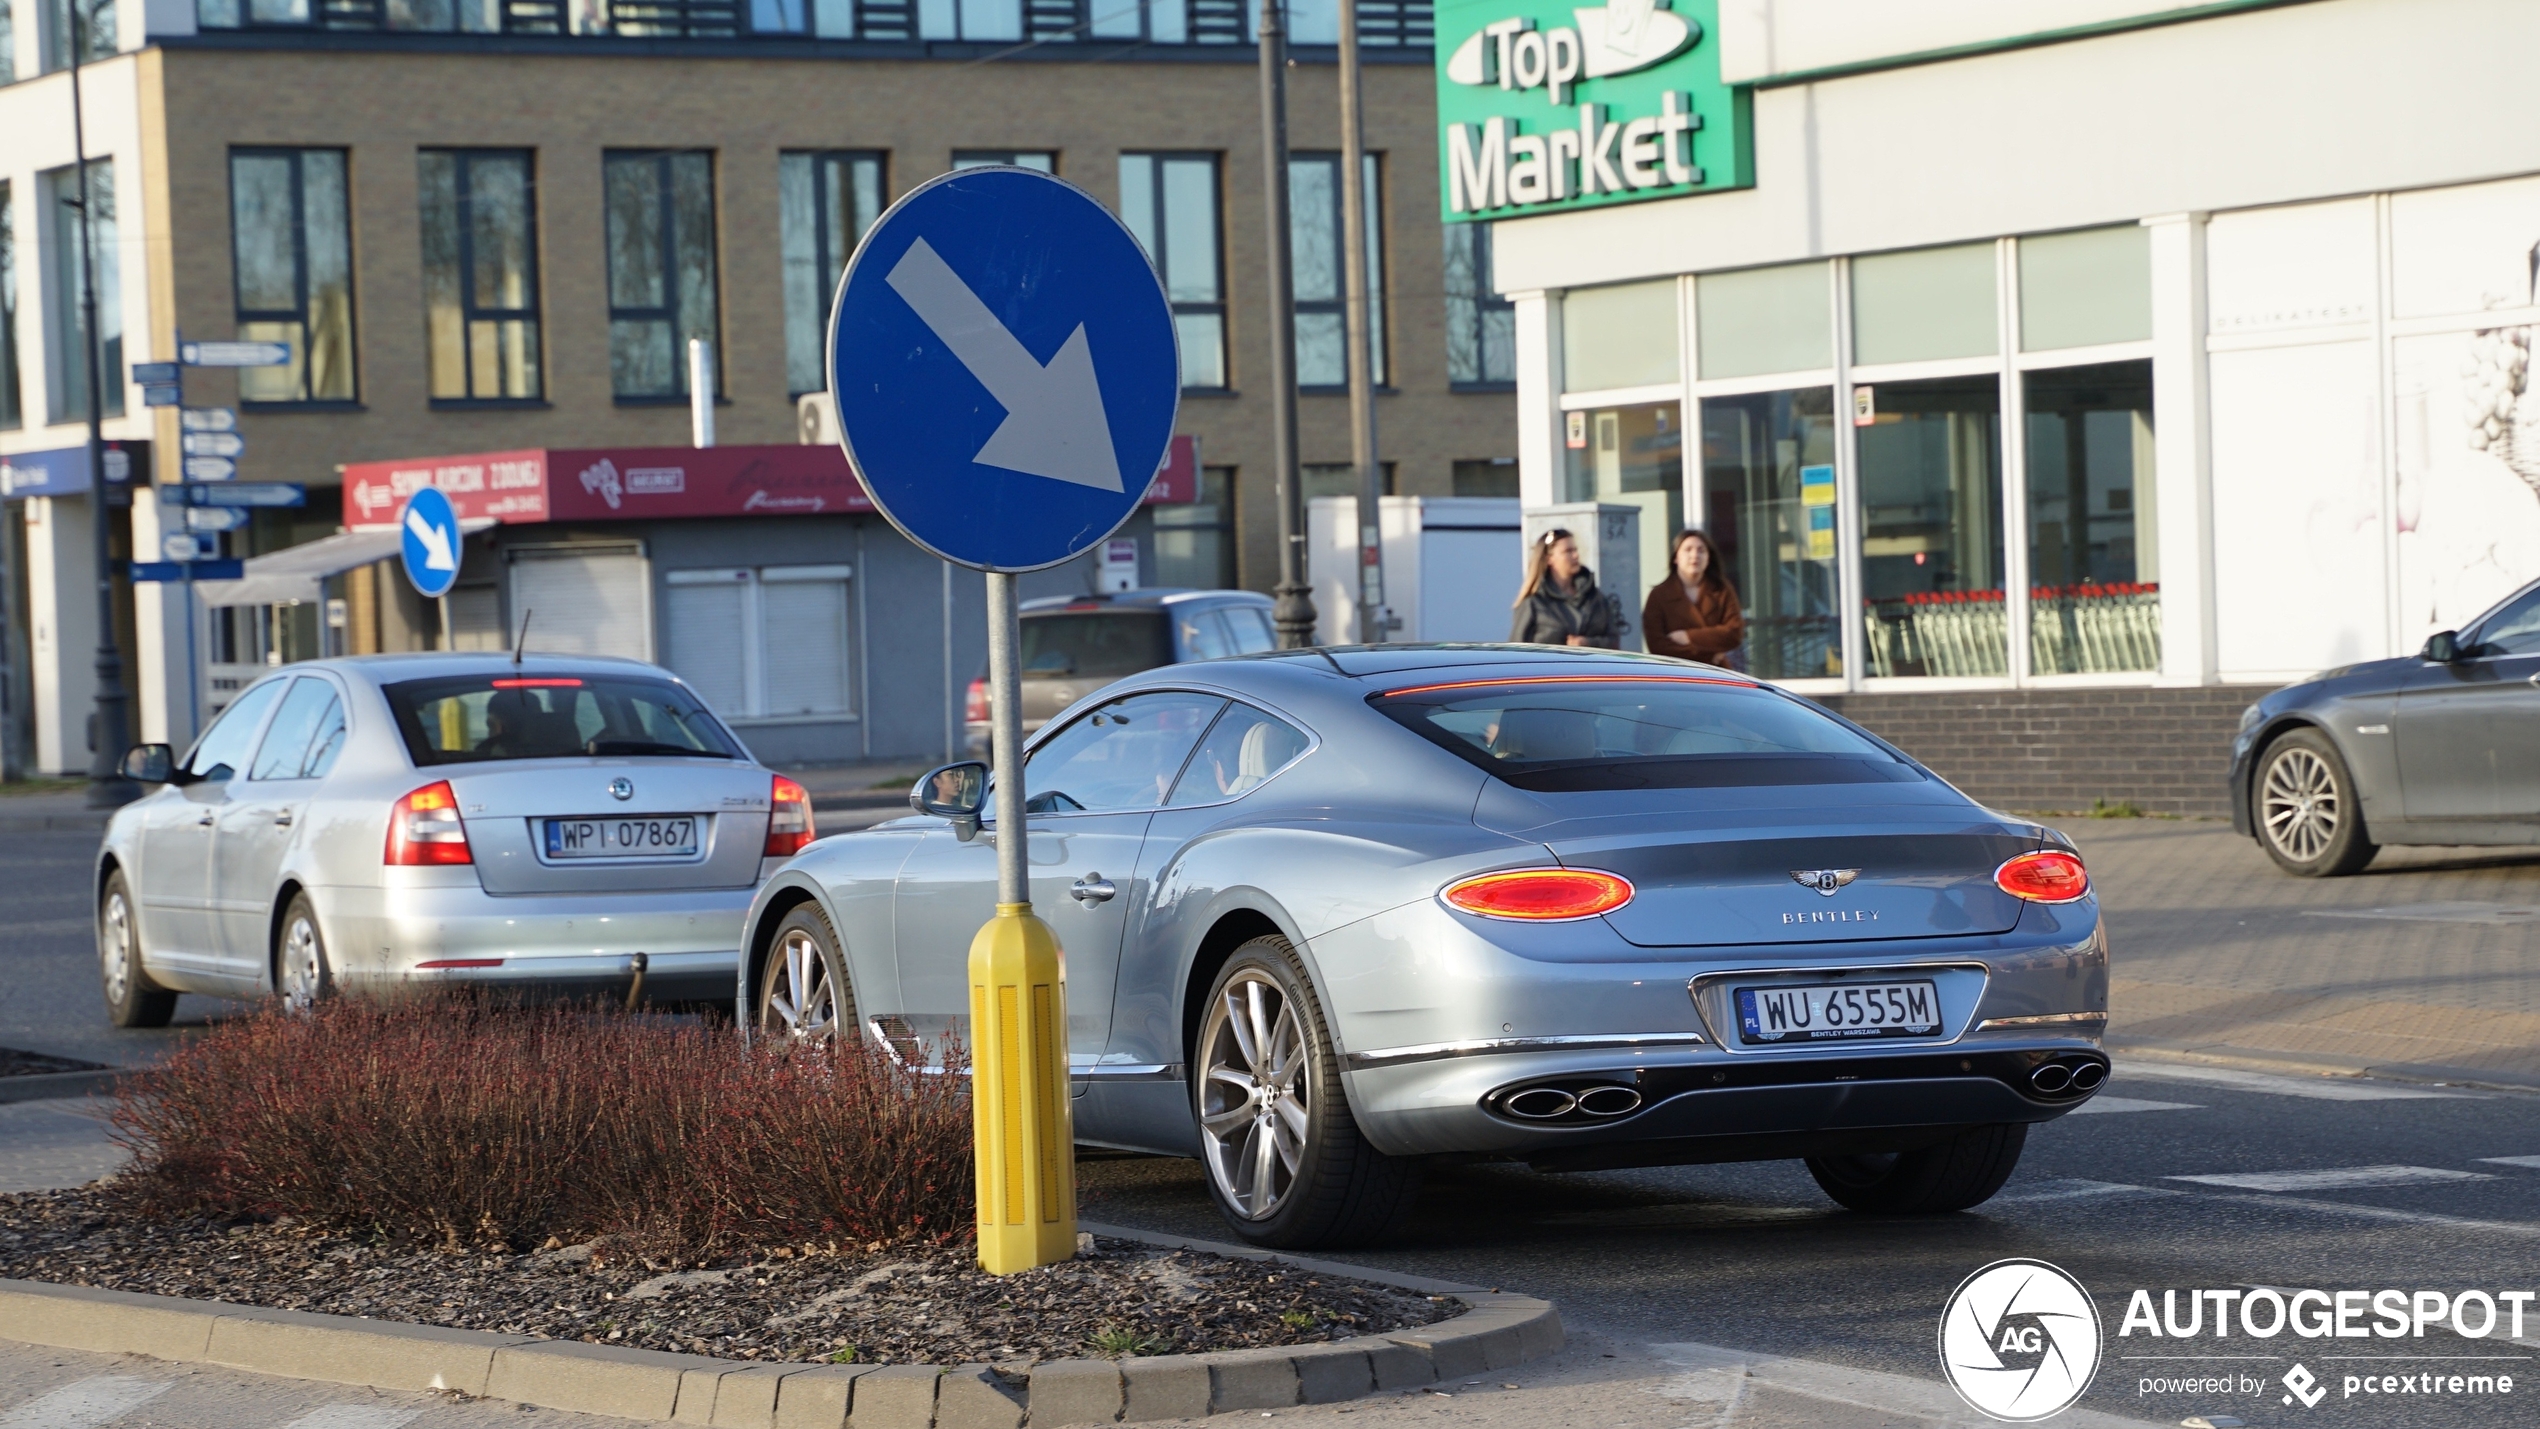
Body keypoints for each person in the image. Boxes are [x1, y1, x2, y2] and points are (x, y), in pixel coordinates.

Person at [1642, 528, 1745, 668]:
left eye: (1701, 550)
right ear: (1676, 558)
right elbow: (1657, 646)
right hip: (1675, 674)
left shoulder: (1721, 590)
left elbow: (1734, 633)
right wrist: (1710, 652)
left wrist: (1689, 636)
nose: (1695, 555)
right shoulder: (1659, 596)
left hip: (1718, 674)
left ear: (1709, 557)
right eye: (1688, 549)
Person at [1509, 528, 1622, 648]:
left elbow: (1614, 641)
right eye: (1568, 551)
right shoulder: (1534, 603)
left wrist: (1587, 643)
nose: (1576, 555)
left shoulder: (1595, 598)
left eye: (1575, 550)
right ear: (1549, 559)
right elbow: (1516, 650)